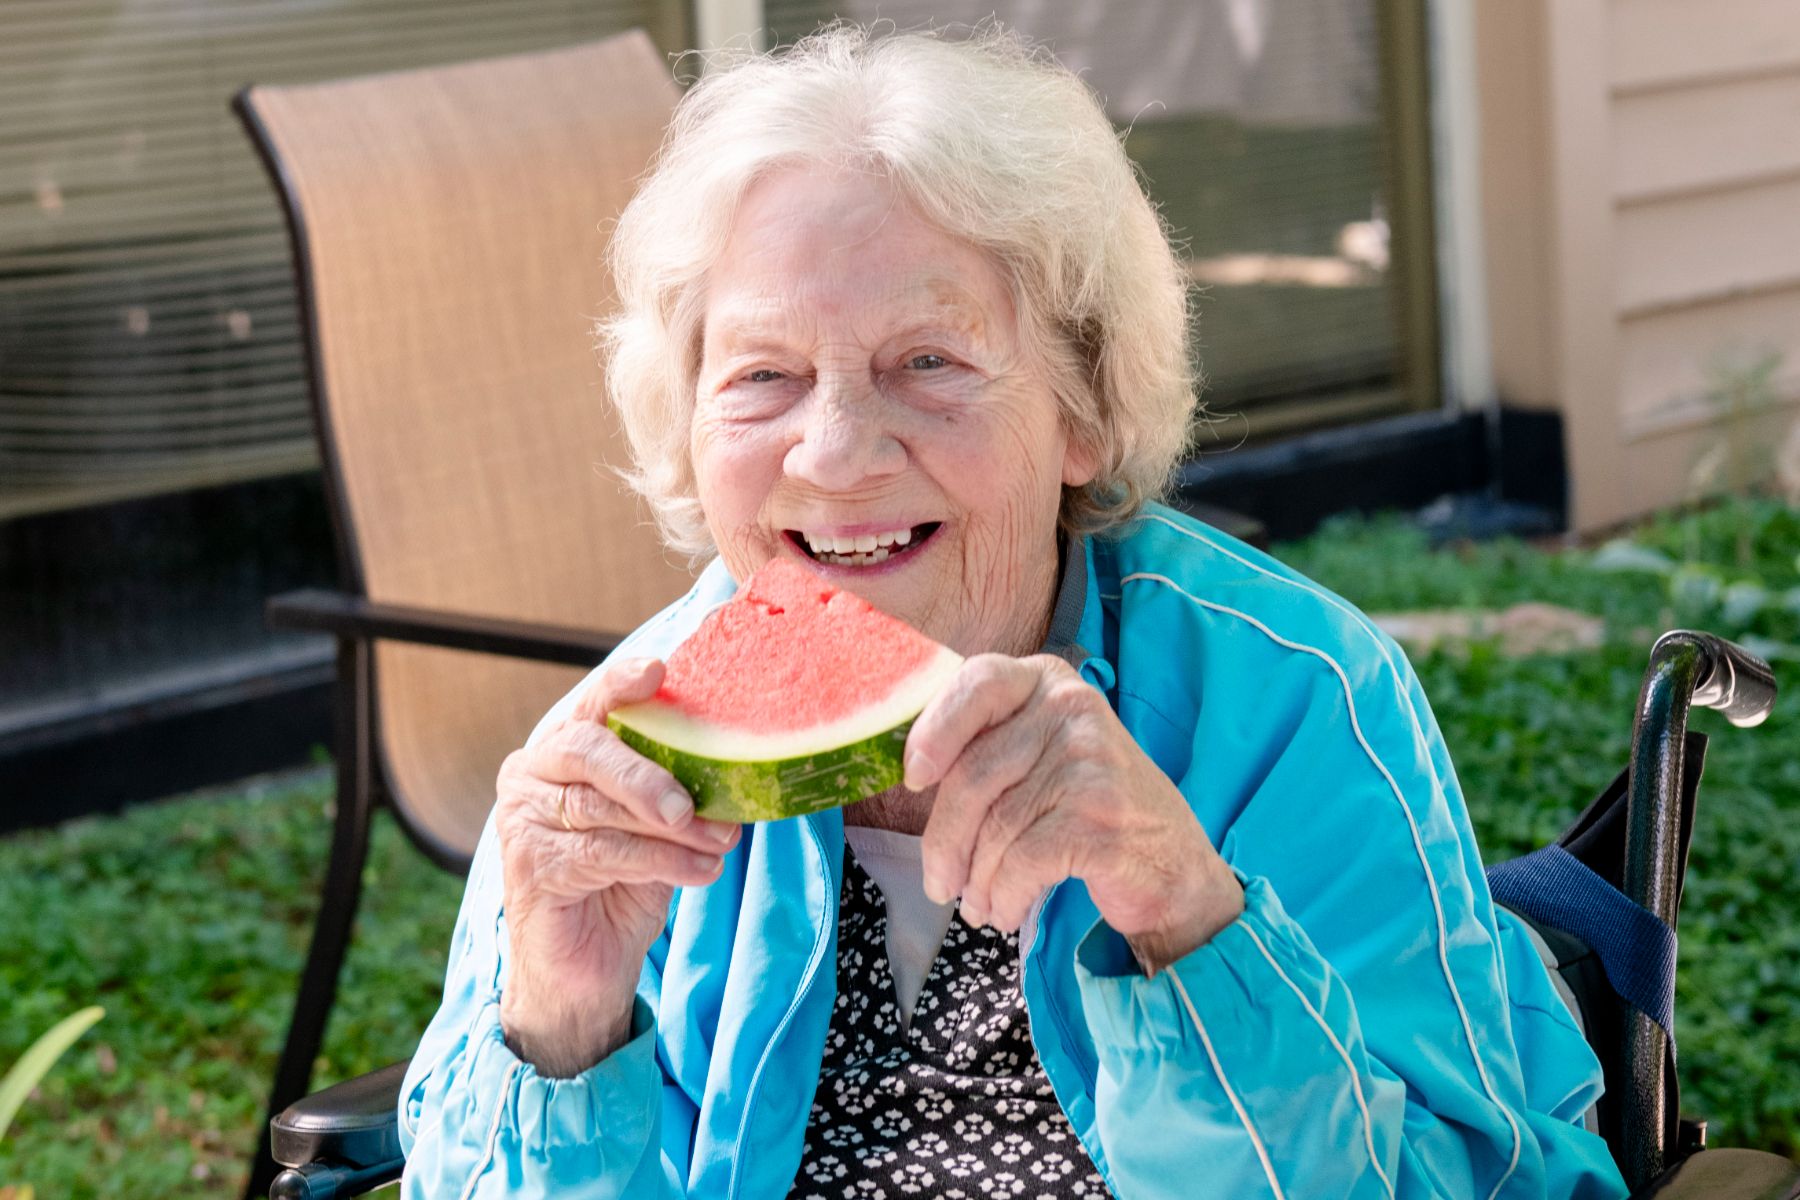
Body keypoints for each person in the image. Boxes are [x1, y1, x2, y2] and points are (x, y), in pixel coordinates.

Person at [398, 25, 1627, 1199]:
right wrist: (559, 1022)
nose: (831, 455)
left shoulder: (1303, 698)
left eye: (928, 361)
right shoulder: (617, 753)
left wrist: (1183, 916)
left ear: (1084, 409)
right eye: (762, 376)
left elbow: (1481, 1181)